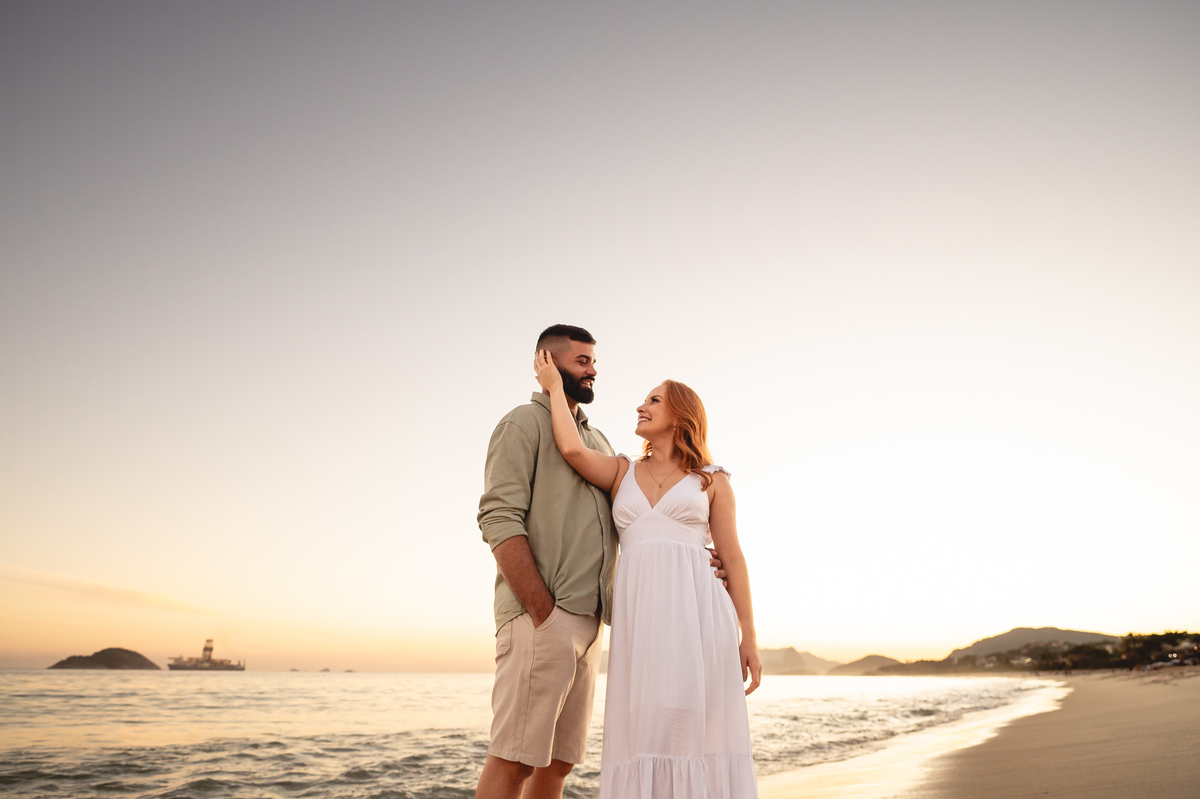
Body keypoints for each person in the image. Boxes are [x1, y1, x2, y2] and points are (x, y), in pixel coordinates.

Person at [474, 325, 729, 799]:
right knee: (514, 759)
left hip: (592, 624)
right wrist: (540, 609)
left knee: (558, 763)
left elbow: (640, 523)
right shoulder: (522, 424)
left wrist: (698, 555)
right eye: (582, 362)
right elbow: (498, 517)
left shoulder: (602, 441)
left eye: (594, 362)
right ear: (548, 363)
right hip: (543, 618)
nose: (593, 371)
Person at [534, 351, 762, 799]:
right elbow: (572, 449)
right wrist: (554, 389)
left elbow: (732, 559)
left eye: (653, 401)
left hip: (700, 617)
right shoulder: (623, 471)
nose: (641, 407)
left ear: (680, 415)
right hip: (642, 622)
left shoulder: (712, 481)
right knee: (646, 727)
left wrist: (749, 636)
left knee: (693, 725)